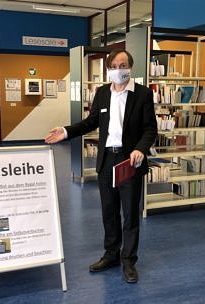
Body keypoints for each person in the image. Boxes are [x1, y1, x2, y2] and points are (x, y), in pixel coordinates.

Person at [45, 49, 157, 283]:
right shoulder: (103, 92)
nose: (119, 69)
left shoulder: (143, 94)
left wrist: (140, 148)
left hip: (130, 161)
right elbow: (91, 122)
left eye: (123, 65)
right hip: (106, 160)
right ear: (109, 69)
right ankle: (111, 254)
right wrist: (66, 131)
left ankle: (128, 261)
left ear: (130, 67)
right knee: (109, 212)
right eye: (114, 65)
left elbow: (150, 129)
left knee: (130, 215)